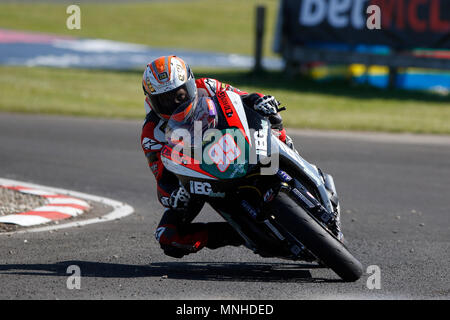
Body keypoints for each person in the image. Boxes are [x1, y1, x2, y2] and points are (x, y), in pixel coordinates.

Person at [140, 55, 298, 258]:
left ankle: (293, 160)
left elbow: (245, 98)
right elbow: (162, 181)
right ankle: (241, 234)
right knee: (168, 237)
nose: (174, 103)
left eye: (179, 95)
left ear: (189, 85)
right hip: (202, 177)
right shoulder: (151, 133)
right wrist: (173, 195)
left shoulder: (207, 86)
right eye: (164, 100)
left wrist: (261, 101)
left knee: (272, 117)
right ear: (151, 101)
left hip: (239, 144)